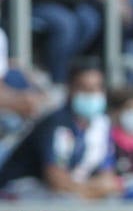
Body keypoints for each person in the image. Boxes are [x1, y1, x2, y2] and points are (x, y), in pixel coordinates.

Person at [0, 60, 121, 199]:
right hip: (23, 190)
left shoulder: (102, 125)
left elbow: (108, 176)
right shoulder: (57, 124)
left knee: (112, 199)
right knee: (69, 202)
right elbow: (56, 179)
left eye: (96, 88)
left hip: (75, 189)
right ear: (69, 89)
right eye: (83, 88)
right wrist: (91, 192)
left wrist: (95, 190)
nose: (91, 94)